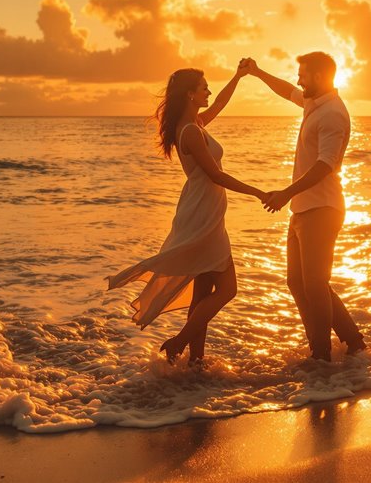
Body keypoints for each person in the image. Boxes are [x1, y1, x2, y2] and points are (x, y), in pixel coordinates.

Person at [107, 62, 266, 364]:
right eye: (204, 87)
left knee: (203, 292)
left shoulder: (195, 125)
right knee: (228, 289)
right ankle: (179, 342)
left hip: (204, 211)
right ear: (191, 94)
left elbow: (220, 103)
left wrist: (238, 76)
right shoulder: (191, 131)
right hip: (203, 217)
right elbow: (216, 176)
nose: (209, 91)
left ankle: (196, 363)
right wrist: (258, 192)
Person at [242, 53, 367, 362]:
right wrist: (257, 73)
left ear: (321, 78)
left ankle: (321, 356)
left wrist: (285, 193)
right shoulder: (315, 104)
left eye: (303, 75)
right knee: (298, 282)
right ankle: (352, 341)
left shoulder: (333, 114)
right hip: (303, 209)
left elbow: (326, 165)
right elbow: (287, 91)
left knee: (314, 284)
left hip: (322, 209)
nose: (298, 80)